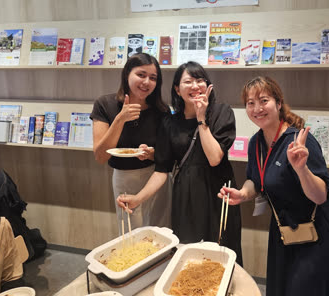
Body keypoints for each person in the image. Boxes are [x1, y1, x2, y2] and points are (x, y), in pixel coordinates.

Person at [219, 76, 329, 295]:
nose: (257, 108)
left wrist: (301, 168)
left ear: (279, 103)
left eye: (264, 100)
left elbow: (321, 196)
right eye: (250, 103)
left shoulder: (299, 141)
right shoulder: (256, 142)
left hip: (320, 231)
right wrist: (243, 194)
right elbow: (256, 179)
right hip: (285, 230)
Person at [117, 61, 243, 264]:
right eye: (188, 81)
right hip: (186, 197)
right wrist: (138, 198)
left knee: (222, 254)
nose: (195, 86)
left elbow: (214, 158)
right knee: (189, 255)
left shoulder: (221, 112)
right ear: (177, 88)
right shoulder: (170, 122)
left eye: (200, 80)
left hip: (219, 195)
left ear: (208, 85)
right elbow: (161, 170)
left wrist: (201, 118)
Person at [90, 53, 171, 233]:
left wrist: (151, 153)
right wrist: (120, 120)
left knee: (158, 231)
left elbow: (166, 155)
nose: (146, 82)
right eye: (141, 75)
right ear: (127, 74)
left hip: (155, 178)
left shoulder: (162, 110)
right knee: (130, 233)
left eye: (153, 78)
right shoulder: (105, 104)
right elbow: (101, 156)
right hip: (124, 178)